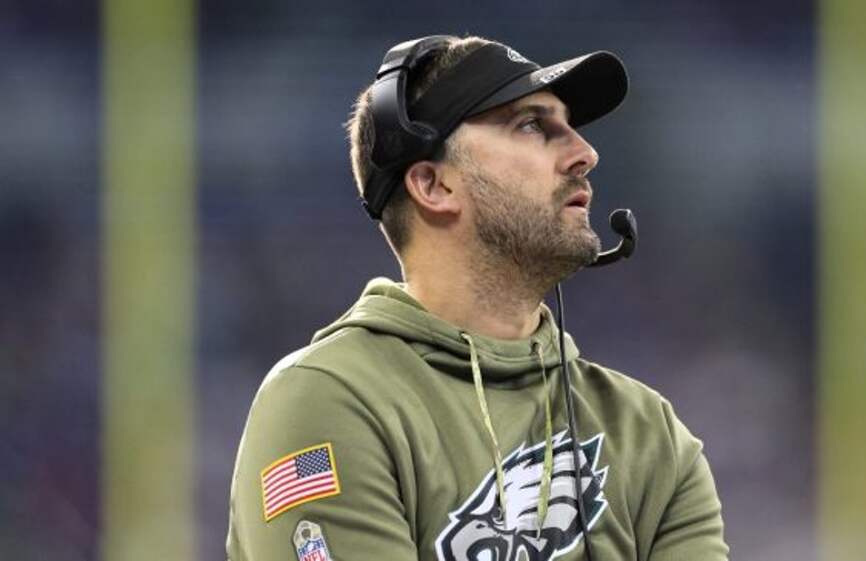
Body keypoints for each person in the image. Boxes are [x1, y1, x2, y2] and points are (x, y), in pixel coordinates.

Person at [226, 35, 729, 561]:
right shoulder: (328, 399)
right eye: (532, 125)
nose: (585, 154)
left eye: (569, 127)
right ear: (433, 185)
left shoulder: (648, 431)